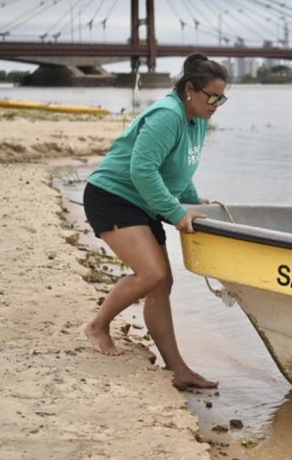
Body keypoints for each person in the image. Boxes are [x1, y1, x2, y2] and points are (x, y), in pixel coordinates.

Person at [81, 53, 227, 390]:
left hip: (142, 201)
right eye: (213, 96)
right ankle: (98, 326)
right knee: (152, 273)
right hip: (112, 196)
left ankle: (179, 371)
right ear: (190, 88)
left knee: (162, 285)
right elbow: (142, 170)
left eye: (223, 98)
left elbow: (179, 168)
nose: (217, 104)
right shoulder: (167, 115)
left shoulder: (198, 117)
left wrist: (190, 199)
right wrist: (177, 214)